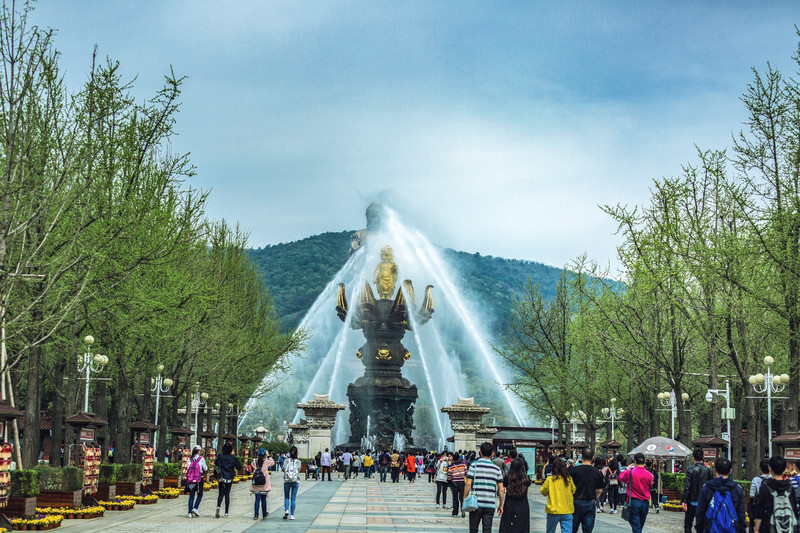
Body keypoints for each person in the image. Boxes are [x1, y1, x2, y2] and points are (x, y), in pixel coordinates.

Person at [694, 457, 745, 533]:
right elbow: (741, 514)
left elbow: (700, 512)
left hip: (710, 528)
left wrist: (699, 528)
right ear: (730, 471)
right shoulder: (737, 488)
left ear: (715, 470)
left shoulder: (707, 487)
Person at [463, 442, 505, 533]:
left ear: (480, 452)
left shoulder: (474, 466)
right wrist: (501, 505)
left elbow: (468, 484)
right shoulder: (496, 469)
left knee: (473, 529)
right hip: (490, 504)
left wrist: (464, 498)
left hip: (475, 504)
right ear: (492, 453)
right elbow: (501, 489)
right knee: (487, 530)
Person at [753, 455, 799, 533]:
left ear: (770, 469)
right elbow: (795, 509)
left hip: (768, 527)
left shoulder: (765, 487)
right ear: (784, 469)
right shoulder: (790, 487)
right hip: (788, 528)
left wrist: (756, 530)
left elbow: (760, 510)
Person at [570, 448, 605, 532]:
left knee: (572, 529)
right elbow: (600, 490)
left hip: (576, 502)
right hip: (590, 502)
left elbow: (569, 488)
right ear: (592, 458)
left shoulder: (574, 470)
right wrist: (594, 497)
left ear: (581, 457)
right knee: (588, 530)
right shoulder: (597, 472)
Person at [618, 453, 654, 533]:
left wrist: (627, 469)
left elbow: (620, 477)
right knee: (640, 525)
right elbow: (650, 486)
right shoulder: (649, 475)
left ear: (635, 461)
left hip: (633, 502)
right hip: (645, 502)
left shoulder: (630, 472)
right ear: (644, 461)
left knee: (636, 525)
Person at [682, 448, 714, 533]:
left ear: (693, 458)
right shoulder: (709, 470)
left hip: (692, 500)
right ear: (703, 457)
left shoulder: (690, 469)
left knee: (688, 524)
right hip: (704, 502)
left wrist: (684, 500)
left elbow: (687, 486)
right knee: (703, 525)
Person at [541, 457, 576, 533]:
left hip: (553, 510)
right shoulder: (568, 479)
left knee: (550, 531)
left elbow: (543, 492)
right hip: (567, 510)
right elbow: (573, 490)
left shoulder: (550, 480)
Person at [499, 457, 531, 533]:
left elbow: (502, 487)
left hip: (509, 504)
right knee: (522, 527)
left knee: (508, 527)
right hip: (523, 505)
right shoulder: (526, 479)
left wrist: (500, 504)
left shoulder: (507, 478)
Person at [215, 443, 242, 518]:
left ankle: (218, 506)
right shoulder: (233, 458)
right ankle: (226, 512)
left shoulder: (220, 456)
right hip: (229, 477)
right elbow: (239, 467)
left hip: (221, 477)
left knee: (220, 494)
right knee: (227, 494)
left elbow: (216, 463)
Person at [250, 448, 274, 520]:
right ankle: (264, 514)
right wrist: (269, 456)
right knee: (263, 499)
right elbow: (272, 462)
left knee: (257, 499)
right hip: (264, 483)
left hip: (256, 483)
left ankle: (256, 515)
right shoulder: (266, 462)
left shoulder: (255, 461)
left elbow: (252, 464)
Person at [748, 460, 770, 533]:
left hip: (759, 508)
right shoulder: (772, 479)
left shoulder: (756, 480)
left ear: (760, 469)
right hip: (770, 509)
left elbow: (751, 495)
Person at [186, 445, 207, 518]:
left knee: (191, 495)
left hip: (191, 479)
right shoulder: (201, 459)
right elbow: (205, 468)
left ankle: (189, 513)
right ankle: (195, 508)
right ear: (199, 451)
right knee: (200, 495)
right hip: (199, 479)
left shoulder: (190, 458)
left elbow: (188, 467)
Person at [283, 445, 301, 520]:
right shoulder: (298, 462)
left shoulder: (286, 461)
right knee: (293, 498)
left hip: (287, 481)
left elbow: (284, 469)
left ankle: (286, 510)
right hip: (295, 481)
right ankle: (292, 515)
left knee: (286, 497)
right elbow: (299, 470)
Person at [450, 452, 467, 517]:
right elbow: (466, 473)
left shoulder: (451, 467)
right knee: (462, 497)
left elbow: (449, 476)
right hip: (462, 483)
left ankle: (455, 512)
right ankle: (463, 509)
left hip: (454, 483)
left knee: (455, 498)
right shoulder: (463, 465)